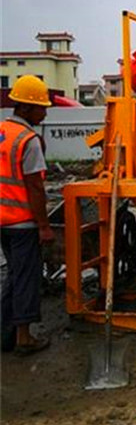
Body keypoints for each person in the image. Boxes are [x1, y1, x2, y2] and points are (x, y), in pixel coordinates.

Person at [1, 75, 55, 354]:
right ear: (25, 108)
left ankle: (5, 333)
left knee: (14, 274)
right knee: (26, 278)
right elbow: (35, 187)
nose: (45, 112)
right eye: (41, 107)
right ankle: (23, 337)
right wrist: (44, 226)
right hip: (22, 223)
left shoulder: (2, 132)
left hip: (2, 222)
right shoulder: (28, 140)